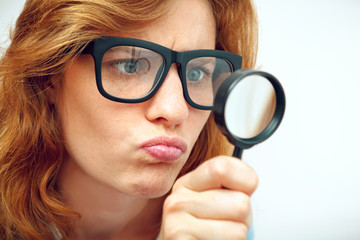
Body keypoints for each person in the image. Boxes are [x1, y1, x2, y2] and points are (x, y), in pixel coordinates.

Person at [0, 0, 259, 239]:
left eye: (196, 73)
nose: (174, 110)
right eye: (130, 66)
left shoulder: (215, 224)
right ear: (49, 76)